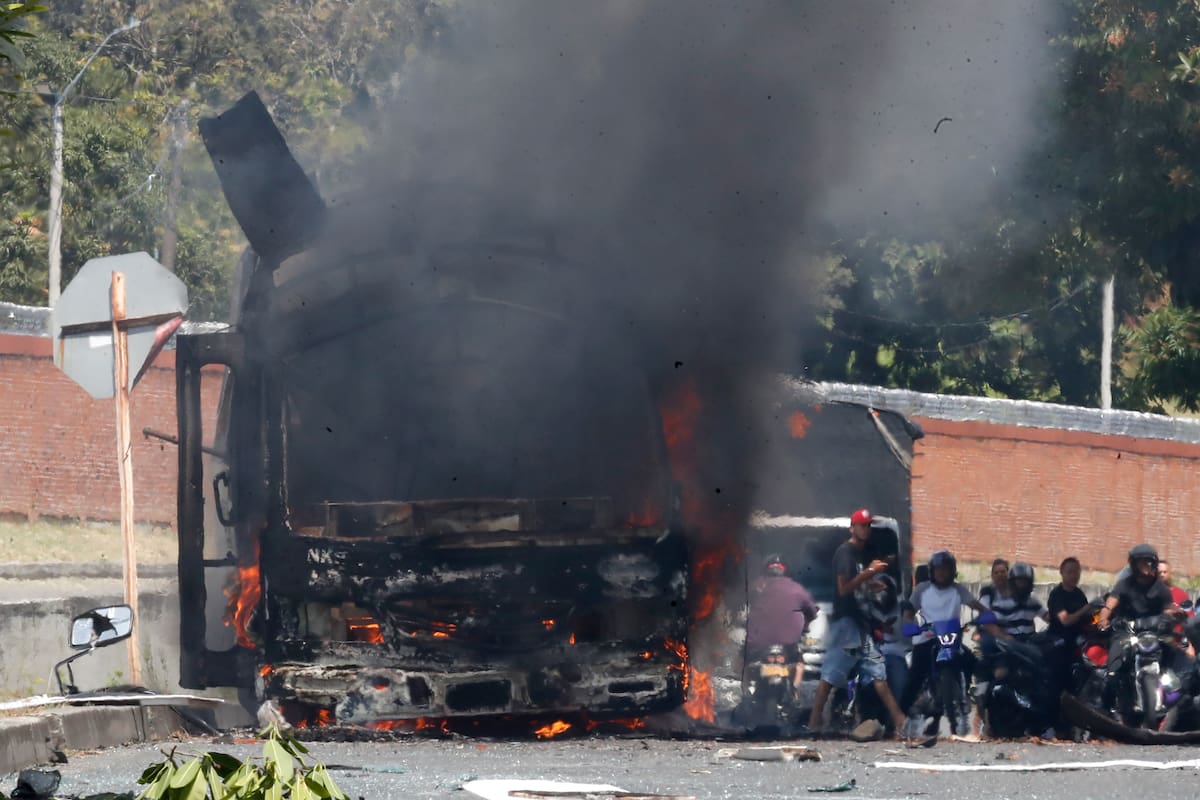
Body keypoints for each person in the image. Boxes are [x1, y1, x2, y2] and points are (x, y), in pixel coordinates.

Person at [806, 508, 909, 739]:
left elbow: (857, 585)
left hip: (861, 625)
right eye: (861, 525)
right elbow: (843, 589)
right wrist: (869, 573)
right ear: (852, 528)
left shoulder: (861, 554)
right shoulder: (846, 553)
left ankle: (901, 722)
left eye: (868, 525)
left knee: (878, 674)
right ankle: (813, 722)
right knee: (831, 674)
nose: (866, 529)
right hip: (847, 624)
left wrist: (872, 585)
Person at [900, 550, 986, 730]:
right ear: (932, 571)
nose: (942, 573)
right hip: (927, 639)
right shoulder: (922, 589)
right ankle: (899, 718)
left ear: (952, 571)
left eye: (946, 569)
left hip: (950, 639)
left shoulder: (959, 590)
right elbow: (908, 611)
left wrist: (985, 616)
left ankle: (965, 695)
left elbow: (977, 606)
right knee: (915, 677)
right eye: (938, 569)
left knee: (971, 661)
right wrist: (909, 623)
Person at [1098, 544, 1184, 716]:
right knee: (1113, 668)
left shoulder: (1161, 588)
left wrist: (1174, 616)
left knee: (1178, 661)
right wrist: (1103, 618)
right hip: (1127, 631)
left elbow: (1167, 610)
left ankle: (1177, 707)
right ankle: (1107, 708)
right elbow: (1110, 604)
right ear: (1134, 564)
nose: (1146, 565)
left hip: (1153, 633)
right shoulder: (1124, 585)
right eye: (1141, 561)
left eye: (1149, 562)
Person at [746, 553, 818, 689]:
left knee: (743, 660)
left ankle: (747, 687)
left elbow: (744, 604)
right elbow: (812, 612)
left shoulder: (756, 587)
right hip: (788, 643)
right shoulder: (797, 589)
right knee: (799, 663)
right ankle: (795, 689)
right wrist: (806, 626)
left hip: (758, 642)